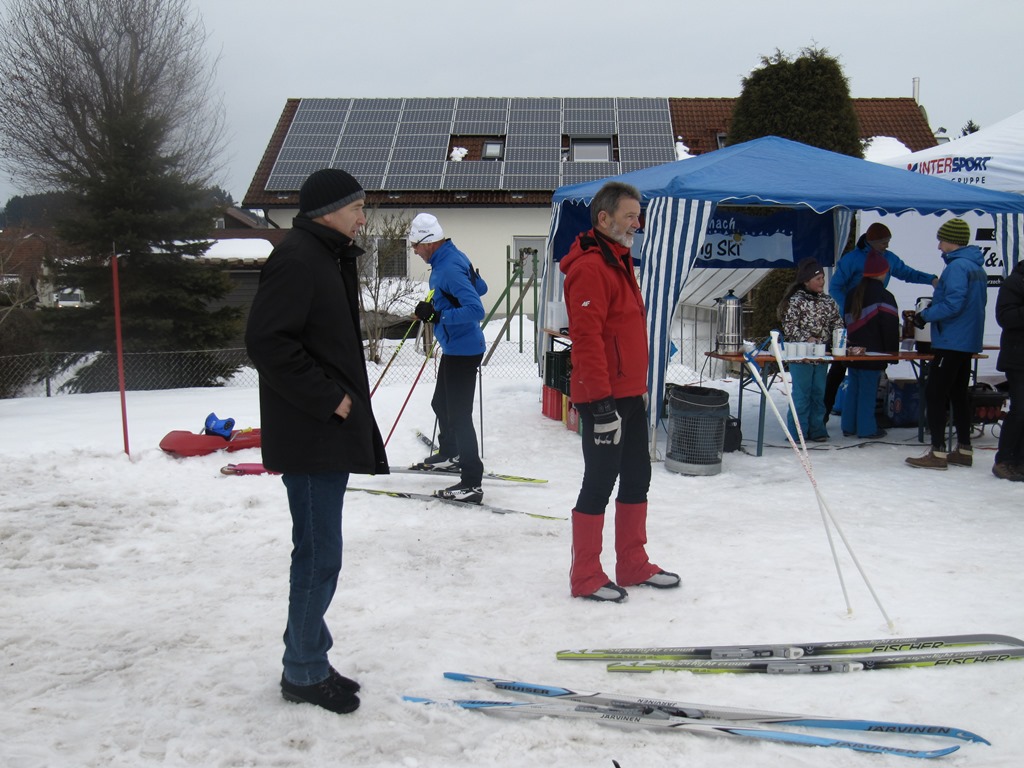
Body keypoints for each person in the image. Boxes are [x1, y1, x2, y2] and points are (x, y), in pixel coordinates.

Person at [245, 167, 389, 715]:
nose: (363, 218)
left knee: (322, 555)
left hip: (325, 433)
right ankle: (302, 671)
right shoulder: (298, 258)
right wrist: (329, 398)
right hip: (311, 434)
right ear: (329, 211)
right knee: (317, 557)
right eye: (357, 208)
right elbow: (267, 341)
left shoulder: (325, 256)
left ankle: (309, 657)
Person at [559, 181, 679, 603]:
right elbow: (588, 341)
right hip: (602, 398)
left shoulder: (619, 261)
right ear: (604, 218)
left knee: (638, 477)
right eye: (630, 216)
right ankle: (586, 575)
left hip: (628, 393)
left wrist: (636, 390)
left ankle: (632, 562)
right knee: (599, 481)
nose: (637, 223)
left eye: (638, 216)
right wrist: (603, 404)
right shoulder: (590, 268)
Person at [410, 213, 488, 503]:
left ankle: (472, 482)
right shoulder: (451, 257)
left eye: (416, 245)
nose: (415, 251)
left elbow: (476, 309)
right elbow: (481, 287)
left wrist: (438, 315)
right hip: (456, 347)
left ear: (429, 242)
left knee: (459, 415)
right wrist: (435, 304)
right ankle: (450, 453)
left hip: (464, 350)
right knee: (440, 404)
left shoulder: (448, 267)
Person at [825, 223, 939, 417]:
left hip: (873, 320)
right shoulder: (852, 260)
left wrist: (931, 279)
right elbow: (835, 287)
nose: (886, 246)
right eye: (883, 242)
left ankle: (866, 415)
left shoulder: (889, 258)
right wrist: (850, 311)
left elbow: (908, 273)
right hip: (850, 321)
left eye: (888, 242)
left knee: (871, 366)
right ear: (871, 242)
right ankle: (824, 413)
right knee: (839, 367)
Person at [906, 218, 987, 470]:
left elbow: (953, 303)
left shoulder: (956, 267)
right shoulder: (976, 267)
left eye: (941, 240)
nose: (939, 246)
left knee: (935, 392)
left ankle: (938, 452)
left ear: (952, 241)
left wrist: (925, 316)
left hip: (952, 339)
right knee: (958, 393)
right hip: (967, 339)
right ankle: (963, 449)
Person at [779, 257, 844, 442]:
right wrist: (807, 338)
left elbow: (837, 323)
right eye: (818, 279)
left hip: (821, 356)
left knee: (818, 394)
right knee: (801, 395)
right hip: (800, 356)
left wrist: (841, 340)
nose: (822, 282)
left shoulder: (828, 301)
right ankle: (797, 432)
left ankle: (817, 430)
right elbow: (789, 326)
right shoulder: (795, 301)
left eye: (823, 278)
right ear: (806, 281)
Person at [841, 251, 900, 439]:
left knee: (853, 389)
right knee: (868, 392)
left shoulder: (852, 294)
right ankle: (866, 428)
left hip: (853, 352)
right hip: (874, 353)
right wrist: (893, 353)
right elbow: (890, 328)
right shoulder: (885, 296)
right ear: (883, 272)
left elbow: (845, 323)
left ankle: (848, 425)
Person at [992, 258, 1024, 481]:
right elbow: (1005, 317)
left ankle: (1020, 460)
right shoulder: (1015, 281)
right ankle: (1004, 460)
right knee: (1020, 410)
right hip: (1017, 357)